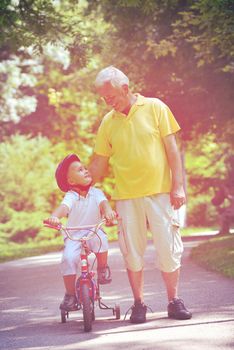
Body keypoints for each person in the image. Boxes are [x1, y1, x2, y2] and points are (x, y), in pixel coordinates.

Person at [89, 66, 192, 323]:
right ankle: (138, 304)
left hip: (159, 193)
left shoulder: (156, 107)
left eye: (110, 95)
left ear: (125, 88)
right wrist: (82, 187)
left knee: (168, 249)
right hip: (126, 197)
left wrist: (177, 186)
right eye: (103, 97)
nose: (107, 101)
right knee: (131, 252)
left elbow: (172, 151)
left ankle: (173, 301)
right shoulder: (108, 122)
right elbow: (100, 162)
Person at [45, 154, 116, 311]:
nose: (85, 171)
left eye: (85, 168)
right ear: (71, 181)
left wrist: (109, 212)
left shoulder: (96, 192)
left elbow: (104, 205)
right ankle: (70, 295)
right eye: (79, 170)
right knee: (68, 258)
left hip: (93, 231)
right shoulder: (71, 196)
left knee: (101, 240)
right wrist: (54, 217)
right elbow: (64, 208)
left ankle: (102, 268)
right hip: (74, 235)